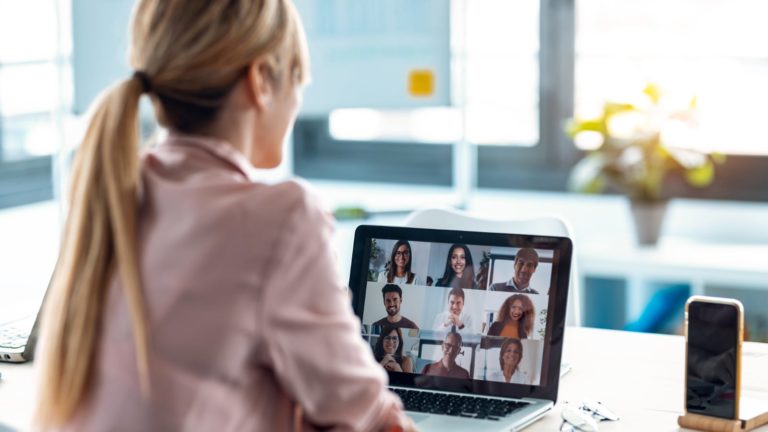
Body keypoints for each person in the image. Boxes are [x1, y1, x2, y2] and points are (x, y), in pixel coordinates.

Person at [34, 1, 415, 431]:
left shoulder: (114, 190)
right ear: (259, 82)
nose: (298, 100)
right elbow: (367, 417)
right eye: (297, 80)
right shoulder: (282, 218)